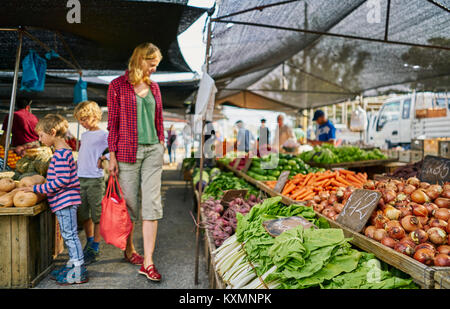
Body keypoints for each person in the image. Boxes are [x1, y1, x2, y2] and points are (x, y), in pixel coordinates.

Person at [107, 42, 164, 282]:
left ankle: (148, 262)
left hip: (153, 151)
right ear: (140, 60)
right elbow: (112, 123)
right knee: (129, 206)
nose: (154, 69)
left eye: (156, 65)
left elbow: (158, 119)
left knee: (151, 204)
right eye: (151, 64)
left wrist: (161, 143)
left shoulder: (155, 87)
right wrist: (112, 155)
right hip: (127, 152)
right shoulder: (117, 86)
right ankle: (130, 249)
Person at [21, 114, 87, 285]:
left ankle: (78, 269)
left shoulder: (61, 155)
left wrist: (36, 188)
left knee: (70, 235)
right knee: (69, 234)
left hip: (65, 201)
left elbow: (61, 181)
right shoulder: (62, 152)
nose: (40, 139)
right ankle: (73, 263)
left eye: (41, 135)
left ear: (52, 132)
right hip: (64, 201)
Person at [74, 101, 109, 265]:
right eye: (80, 120)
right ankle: (88, 241)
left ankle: (95, 244)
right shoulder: (85, 135)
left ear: (96, 116)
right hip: (80, 177)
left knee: (97, 214)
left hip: (95, 178)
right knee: (83, 213)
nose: (82, 123)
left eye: (85, 119)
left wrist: (104, 158)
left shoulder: (104, 135)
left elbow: (112, 150)